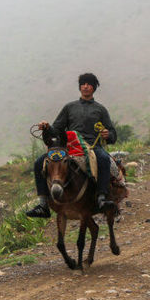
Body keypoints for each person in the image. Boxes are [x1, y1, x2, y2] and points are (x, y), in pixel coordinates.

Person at [26, 72, 119, 218]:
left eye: (89, 84)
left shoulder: (100, 109)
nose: (85, 86)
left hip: (92, 147)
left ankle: (101, 198)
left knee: (103, 159)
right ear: (80, 87)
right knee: (39, 162)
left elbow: (113, 134)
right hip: (69, 146)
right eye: (83, 84)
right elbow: (56, 129)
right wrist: (46, 127)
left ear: (94, 88)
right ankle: (43, 205)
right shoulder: (69, 107)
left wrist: (108, 135)